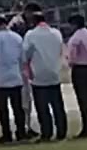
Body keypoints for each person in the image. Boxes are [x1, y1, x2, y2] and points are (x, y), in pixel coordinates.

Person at [23, 11, 68, 141]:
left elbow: (25, 55)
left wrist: (28, 70)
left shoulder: (31, 35)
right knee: (58, 105)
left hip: (38, 74)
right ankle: (61, 131)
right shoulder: (56, 33)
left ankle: (46, 132)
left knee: (42, 107)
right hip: (54, 72)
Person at [0, 14, 27, 144]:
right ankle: (21, 132)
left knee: (3, 108)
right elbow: (22, 58)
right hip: (15, 75)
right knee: (18, 107)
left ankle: (6, 133)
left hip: (0, 77)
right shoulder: (17, 37)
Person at [9, 2, 43, 138]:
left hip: (23, 63)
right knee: (23, 98)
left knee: (26, 99)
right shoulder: (19, 24)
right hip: (19, 64)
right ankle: (23, 127)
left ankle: (26, 125)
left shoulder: (21, 23)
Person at [67, 13, 87, 138]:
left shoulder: (75, 38)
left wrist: (70, 63)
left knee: (83, 100)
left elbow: (72, 57)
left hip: (81, 69)